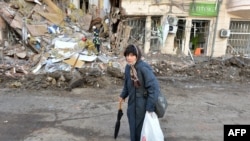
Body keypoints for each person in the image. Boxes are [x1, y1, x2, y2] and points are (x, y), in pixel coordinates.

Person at [119, 44, 160, 141]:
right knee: (133, 127)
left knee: (142, 130)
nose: (129, 58)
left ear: (137, 56)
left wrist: (150, 107)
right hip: (132, 104)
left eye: (132, 55)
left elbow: (154, 88)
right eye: (127, 55)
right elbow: (127, 85)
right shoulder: (128, 68)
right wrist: (123, 95)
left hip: (143, 105)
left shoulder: (143, 68)